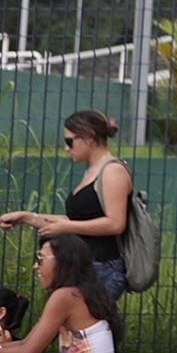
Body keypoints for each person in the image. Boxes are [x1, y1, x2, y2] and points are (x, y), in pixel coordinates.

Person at [1, 111, 132, 299]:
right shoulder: (92, 172)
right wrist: (27, 218)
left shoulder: (113, 171)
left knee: (78, 325)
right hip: (85, 265)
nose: (66, 148)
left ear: (88, 137)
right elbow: (78, 221)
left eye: (70, 141)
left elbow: (115, 223)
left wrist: (67, 227)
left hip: (103, 267)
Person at [0, 235, 123, 353]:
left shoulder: (65, 296)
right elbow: (25, 343)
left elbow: (28, 349)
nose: (35, 266)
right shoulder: (78, 293)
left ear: (62, 261)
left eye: (40, 258)